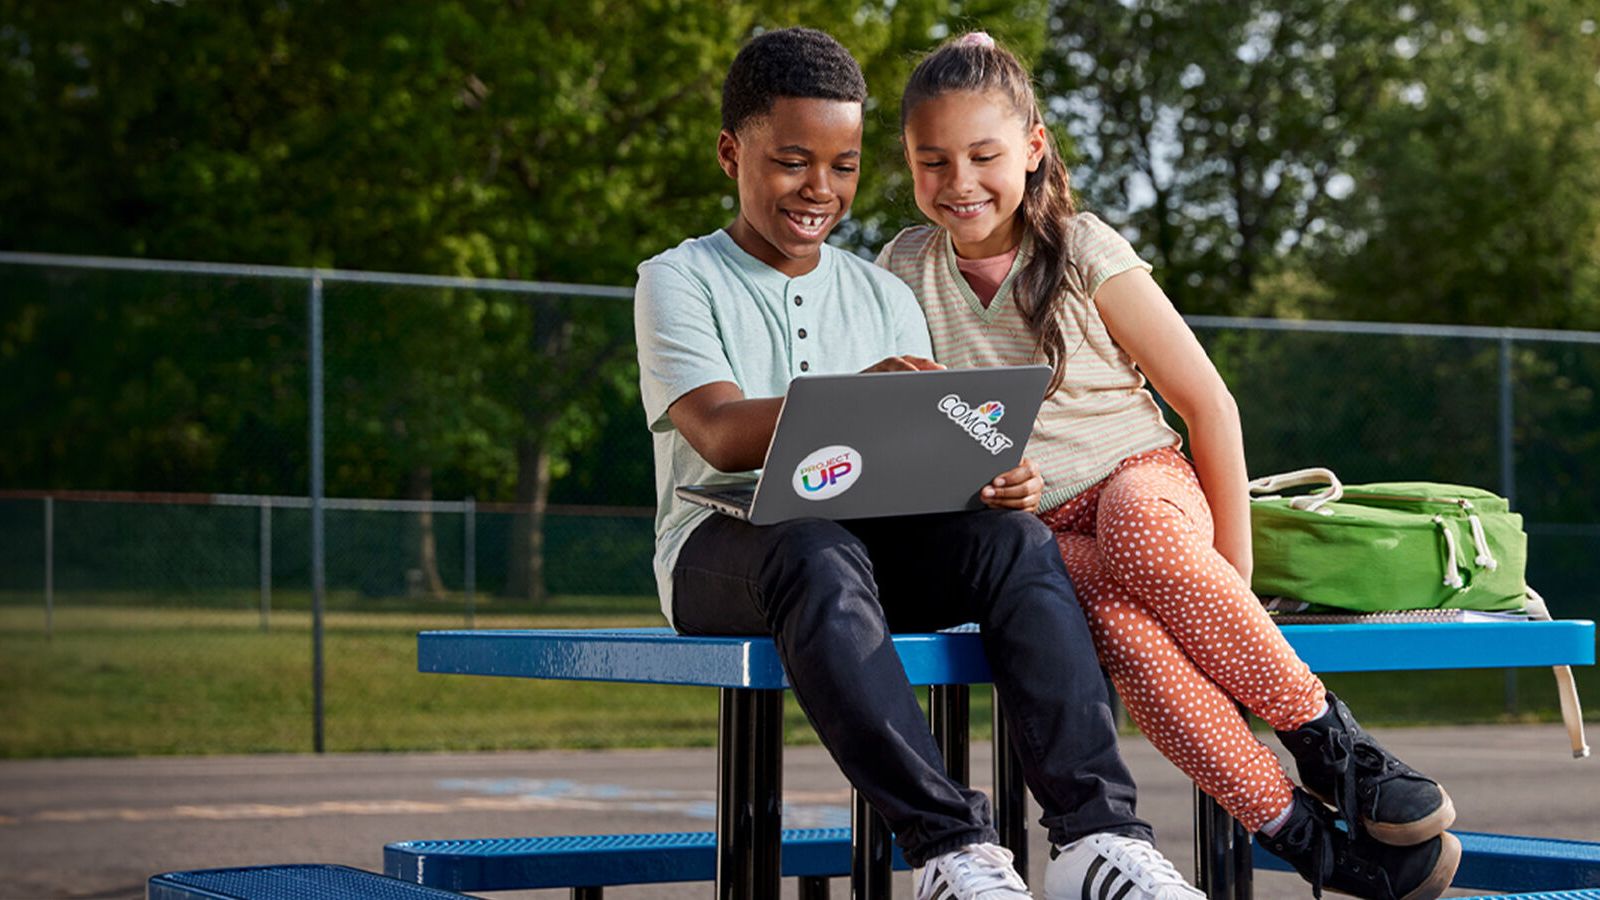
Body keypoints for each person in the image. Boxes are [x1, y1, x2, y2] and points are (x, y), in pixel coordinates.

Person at [875, 31, 1462, 900]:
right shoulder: (901, 269)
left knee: (1143, 531)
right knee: (1126, 637)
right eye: (933, 161)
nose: (959, 182)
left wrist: (1232, 575)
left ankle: (1342, 755)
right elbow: (923, 436)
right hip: (1030, 529)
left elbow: (1208, 404)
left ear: (1033, 149)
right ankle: (1306, 839)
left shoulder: (1081, 250)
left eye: (983, 155)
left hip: (1140, 483)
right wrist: (973, 478)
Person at [635, 25, 1204, 900]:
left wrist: (989, 477)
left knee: (1016, 542)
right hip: (726, 548)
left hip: (864, 546)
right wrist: (854, 397)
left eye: (845, 165)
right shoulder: (680, 278)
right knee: (813, 548)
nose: (819, 189)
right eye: (793, 161)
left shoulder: (883, 290)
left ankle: (1098, 840)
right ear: (729, 152)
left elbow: (924, 446)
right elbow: (715, 431)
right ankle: (952, 852)